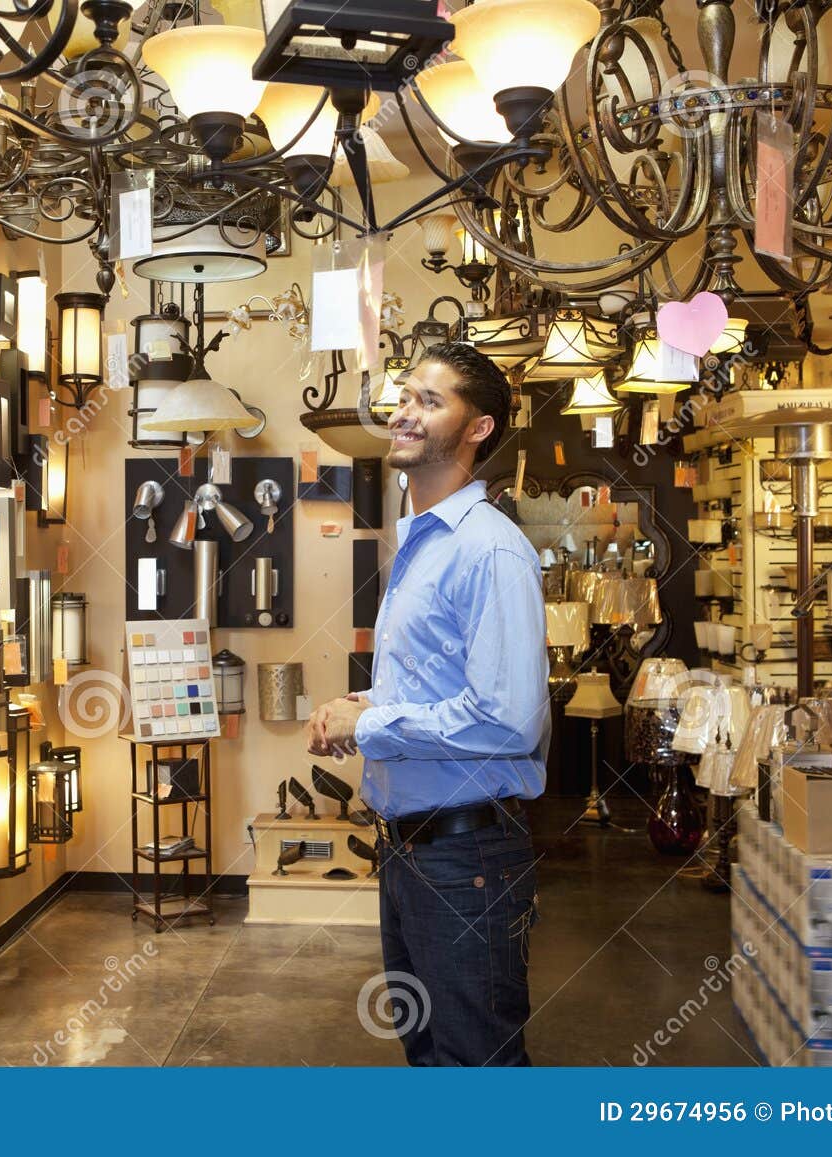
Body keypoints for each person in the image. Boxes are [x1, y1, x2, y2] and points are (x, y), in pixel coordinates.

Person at [308, 342, 549, 1067]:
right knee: (430, 1056)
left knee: (475, 1063)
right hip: (412, 850)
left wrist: (374, 723)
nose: (405, 411)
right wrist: (366, 702)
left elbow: (509, 717)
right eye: (405, 395)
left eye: (430, 400)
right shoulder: (423, 541)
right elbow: (445, 684)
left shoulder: (489, 550)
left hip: (466, 857)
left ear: (477, 429)